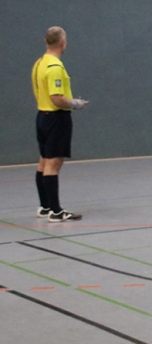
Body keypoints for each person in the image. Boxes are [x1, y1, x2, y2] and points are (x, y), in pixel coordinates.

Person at [32, 27, 88, 222]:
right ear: (62, 42)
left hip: (42, 115)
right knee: (53, 164)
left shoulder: (39, 63)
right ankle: (56, 211)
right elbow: (56, 98)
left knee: (43, 162)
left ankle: (45, 206)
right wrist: (76, 103)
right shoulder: (55, 67)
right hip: (56, 118)